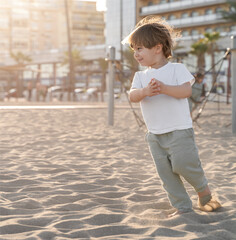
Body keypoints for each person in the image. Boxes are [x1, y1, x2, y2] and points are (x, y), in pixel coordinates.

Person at [122, 16, 221, 217]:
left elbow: (186, 92)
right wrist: (144, 92)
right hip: (154, 134)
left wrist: (165, 88)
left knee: (184, 164)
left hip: (179, 130)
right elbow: (132, 96)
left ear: (157, 48)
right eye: (134, 49)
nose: (136, 54)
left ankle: (203, 189)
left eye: (140, 48)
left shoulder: (177, 69)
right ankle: (182, 206)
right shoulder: (141, 77)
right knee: (166, 174)